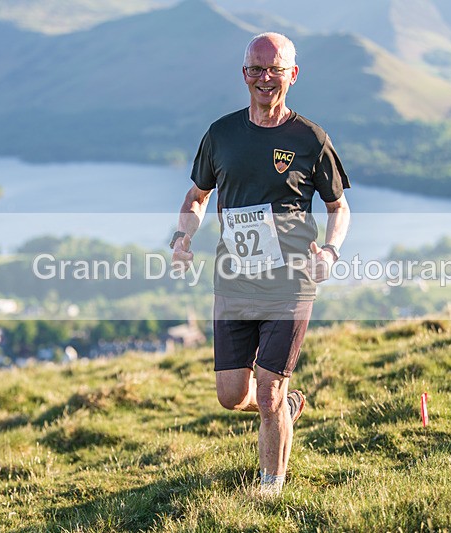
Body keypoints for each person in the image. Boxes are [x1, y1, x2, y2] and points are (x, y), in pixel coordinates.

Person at [170, 32, 351, 495]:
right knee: (233, 395)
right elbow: (197, 196)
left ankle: (269, 488)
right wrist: (182, 238)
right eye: (255, 69)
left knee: (266, 389)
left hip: (291, 282)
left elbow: (338, 207)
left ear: (293, 74)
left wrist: (330, 251)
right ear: (243, 74)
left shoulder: (310, 138)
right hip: (234, 279)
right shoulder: (222, 134)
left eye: (274, 69)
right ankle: (285, 408)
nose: (264, 78)